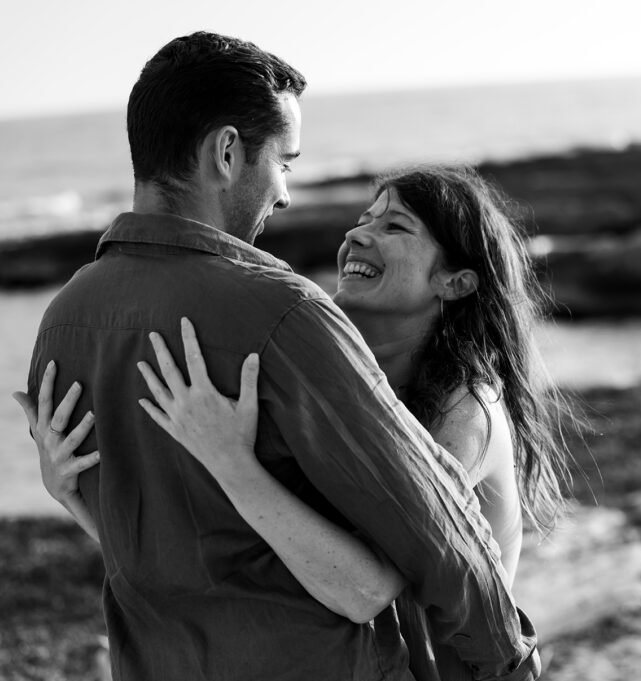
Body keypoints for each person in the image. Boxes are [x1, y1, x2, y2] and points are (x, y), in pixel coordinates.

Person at [11, 31, 540, 681]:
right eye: (284, 162)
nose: (286, 193)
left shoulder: (62, 319)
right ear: (228, 151)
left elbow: (177, 554)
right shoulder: (286, 316)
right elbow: (400, 567)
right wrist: (515, 662)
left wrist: (82, 498)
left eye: (393, 225)